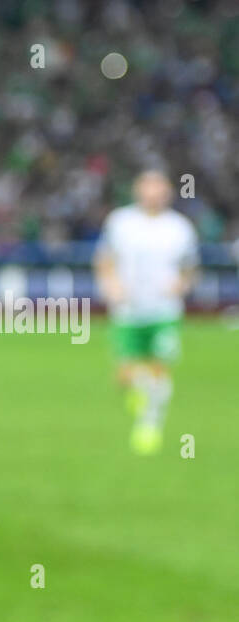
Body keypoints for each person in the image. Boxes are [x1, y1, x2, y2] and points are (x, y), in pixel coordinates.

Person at [93, 169, 198, 455]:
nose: (153, 194)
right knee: (124, 375)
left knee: (159, 368)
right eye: (147, 188)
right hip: (127, 310)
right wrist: (110, 285)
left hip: (163, 311)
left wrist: (181, 283)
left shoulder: (180, 227)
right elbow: (104, 259)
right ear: (138, 191)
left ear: (167, 193)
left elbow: (191, 268)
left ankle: (150, 425)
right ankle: (140, 391)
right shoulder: (120, 222)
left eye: (158, 188)